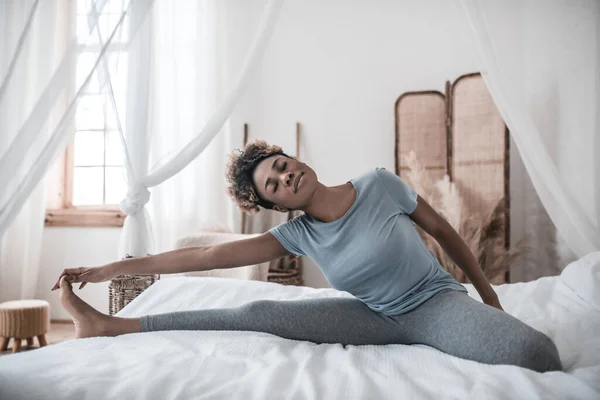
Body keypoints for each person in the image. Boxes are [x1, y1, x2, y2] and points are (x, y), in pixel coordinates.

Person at [51, 140, 562, 373]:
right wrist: (113, 268)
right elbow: (205, 255)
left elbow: (444, 231)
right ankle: (109, 327)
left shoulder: (378, 184)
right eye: (273, 185)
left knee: (538, 355)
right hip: (375, 318)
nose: (284, 176)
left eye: (281, 165)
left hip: (433, 304)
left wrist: (487, 293)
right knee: (258, 313)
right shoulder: (297, 236)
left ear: (293, 159)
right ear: (276, 205)